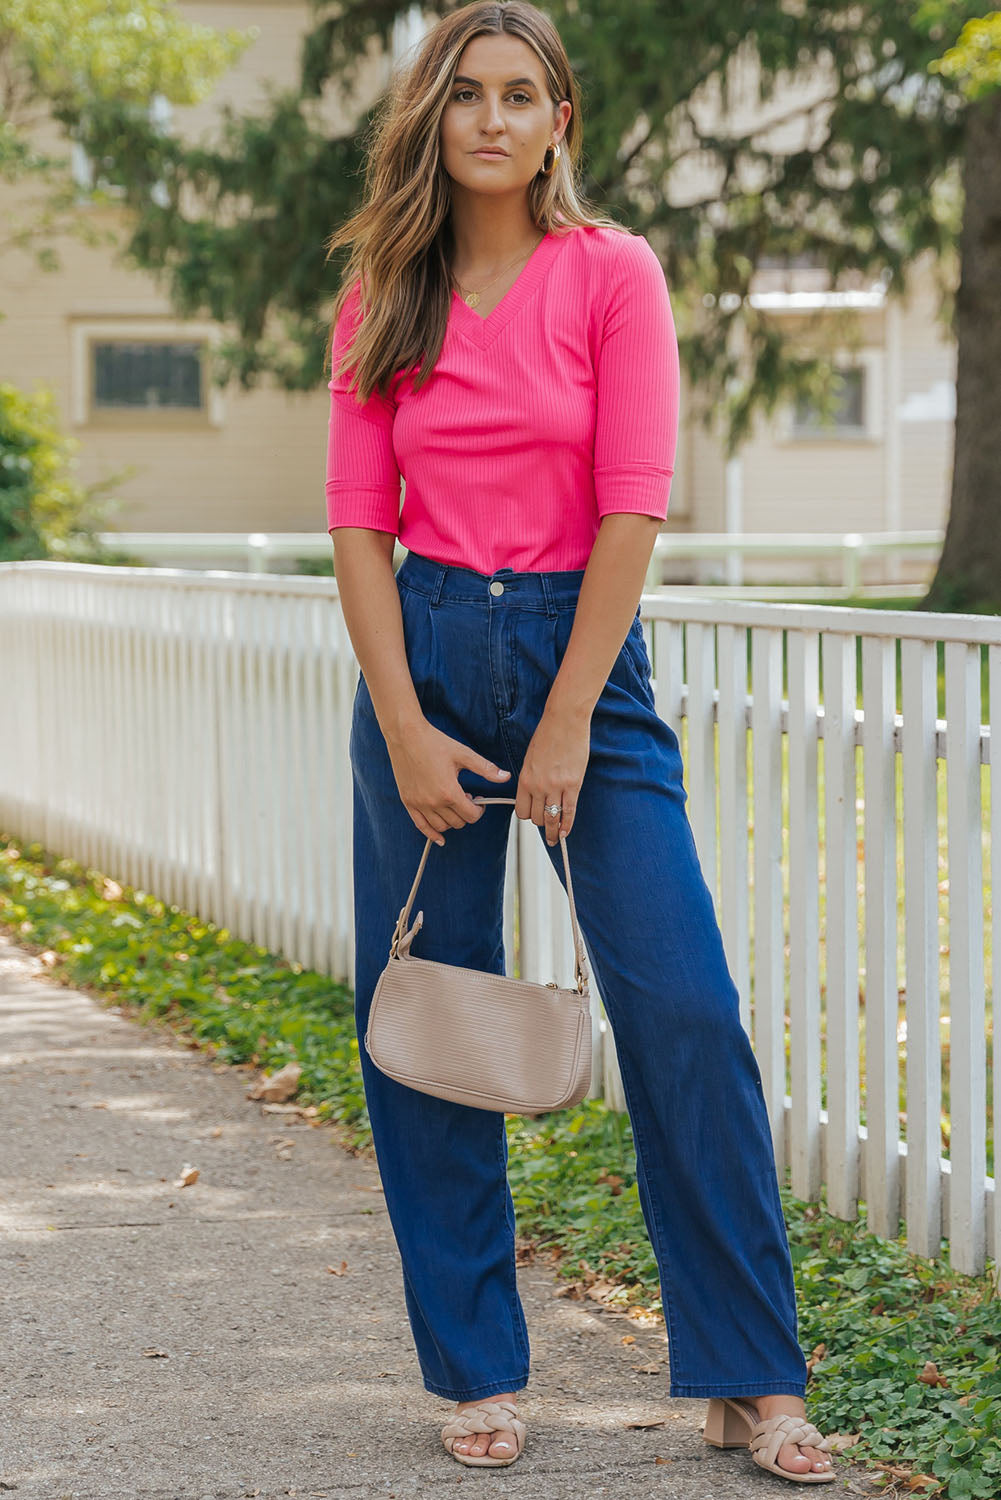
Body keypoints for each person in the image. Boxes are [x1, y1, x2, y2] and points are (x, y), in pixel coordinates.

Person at [322, 0, 835, 1484]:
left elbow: (633, 507)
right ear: (434, 116)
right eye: (465, 93)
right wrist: (408, 726)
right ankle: (475, 1368)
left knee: (682, 1008)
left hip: (581, 670)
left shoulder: (612, 275)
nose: (491, 118)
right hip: (419, 659)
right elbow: (358, 528)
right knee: (425, 1020)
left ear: (560, 122)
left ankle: (750, 1374)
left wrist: (559, 724)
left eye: (520, 95)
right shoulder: (385, 293)